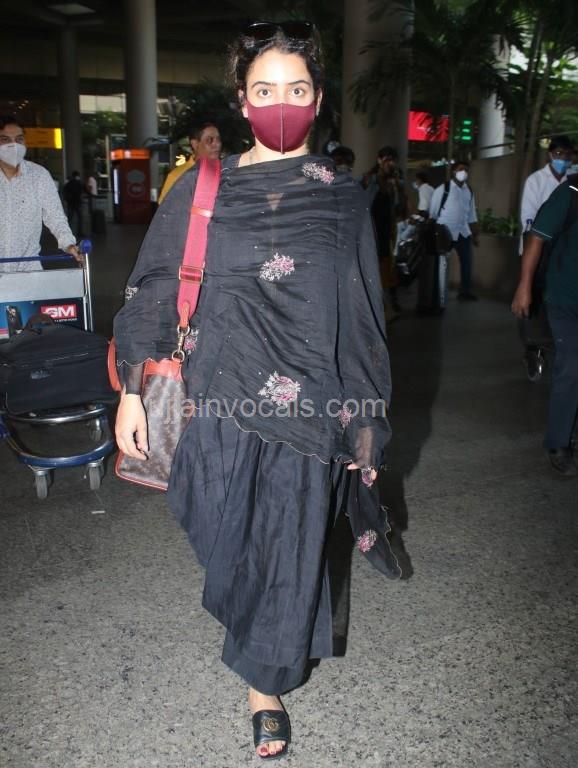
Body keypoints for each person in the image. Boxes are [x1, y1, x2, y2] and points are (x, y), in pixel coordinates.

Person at [113, 20, 400, 760]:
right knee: (224, 537)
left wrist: (365, 419)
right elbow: (154, 284)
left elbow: (361, 314)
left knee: (287, 548)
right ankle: (251, 629)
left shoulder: (342, 198)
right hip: (216, 399)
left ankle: (263, 685)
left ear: (318, 99)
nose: (281, 105)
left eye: (296, 90)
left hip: (309, 405)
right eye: (264, 90)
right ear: (243, 101)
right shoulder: (204, 186)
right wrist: (132, 391)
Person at [512, 177, 578, 477]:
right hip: (566, 300)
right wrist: (524, 287)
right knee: (571, 367)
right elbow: (537, 237)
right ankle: (559, 443)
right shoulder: (571, 192)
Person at [0, 115, 79, 272]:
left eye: (19, 139)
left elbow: (55, 216)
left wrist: (69, 244)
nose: (14, 145)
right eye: (5, 139)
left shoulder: (38, 175)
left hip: (28, 272)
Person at [363, 146, 406, 314]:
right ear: (379, 160)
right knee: (372, 265)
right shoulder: (369, 179)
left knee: (389, 266)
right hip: (370, 229)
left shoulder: (396, 182)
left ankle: (391, 301)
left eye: (393, 160)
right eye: (387, 159)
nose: (390, 163)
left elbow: (400, 207)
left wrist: (397, 187)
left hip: (388, 230)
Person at [429, 160, 479, 304]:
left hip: (463, 232)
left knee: (467, 262)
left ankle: (465, 292)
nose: (464, 172)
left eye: (466, 170)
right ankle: (438, 293)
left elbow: (471, 214)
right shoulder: (443, 189)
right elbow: (433, 213)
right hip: (445, 232)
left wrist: (474, 234)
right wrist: (434, 232)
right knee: (442, 265)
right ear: (454, 171)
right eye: (461, 169)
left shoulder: (469, 191)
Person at [158, 120, 222, 204]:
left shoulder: (225, 170)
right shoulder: (177, 176)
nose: (217, 144)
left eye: (218, 139)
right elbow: (165, 209)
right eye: (209, 140)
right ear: (195, 144)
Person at [63, 170, 84, 238]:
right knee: (80, 218)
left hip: (71, 203)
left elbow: (64, 191)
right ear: (77, 176)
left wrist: (67, 200)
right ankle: (80, 232)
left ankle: (68, 232)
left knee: (70, 218)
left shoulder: (69, 183)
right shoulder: (79, 183)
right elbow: (82, 191)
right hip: (78, 203)